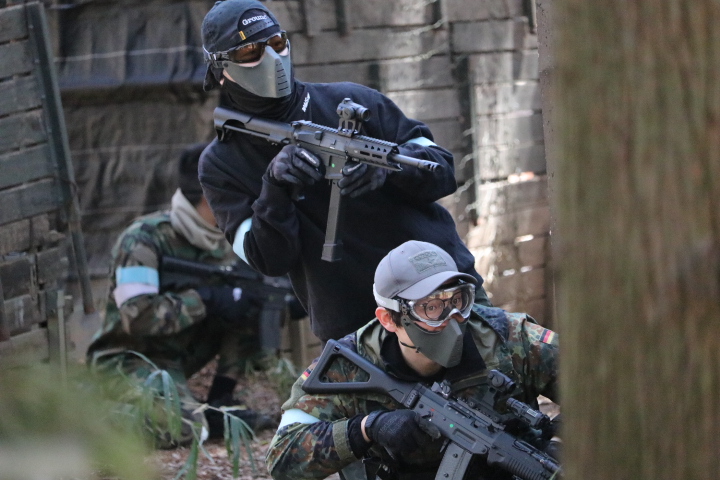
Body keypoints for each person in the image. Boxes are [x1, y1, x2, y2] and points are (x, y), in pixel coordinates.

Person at [198, 0, 492, 343]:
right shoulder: (221, 164)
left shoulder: (354, 100)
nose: (272, 58)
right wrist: (274, 189)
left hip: (443, 292)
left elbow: (441, 170)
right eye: (251, 52)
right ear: (220, 68)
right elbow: (267, 260)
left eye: (277, 43)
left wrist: (390, 169)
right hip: (357, 328)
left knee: (496, 373)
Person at [265, 241, 559, 480]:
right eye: (430, 307)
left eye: (457, 300)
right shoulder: (349, 364)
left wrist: (562, 444)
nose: (451, 318)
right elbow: (282, 458)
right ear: (388, 318)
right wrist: (366, 428)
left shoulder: (509, 338)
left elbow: (589, 386)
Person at [86, 143, 274, 448]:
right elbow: (137, 316)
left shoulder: (226, 242)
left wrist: (275, 304)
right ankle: (89, 420)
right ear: (211, 194)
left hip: (173, 363)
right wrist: (205, 299)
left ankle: (219, 402)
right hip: (126, 360)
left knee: (251, 303)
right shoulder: (143, 240)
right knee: (185, 428)